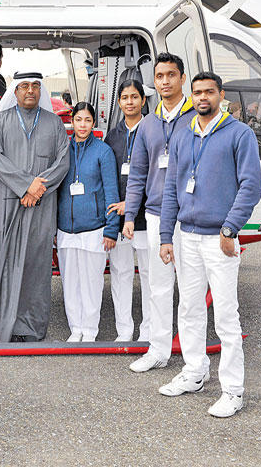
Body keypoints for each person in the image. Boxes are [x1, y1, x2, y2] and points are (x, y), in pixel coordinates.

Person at [159, 72, 261, 418]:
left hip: (220, 238)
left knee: (226, 315)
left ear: (221, 95)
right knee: (189, 308)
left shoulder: (239, 134)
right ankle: (194, 372)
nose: (203, 97)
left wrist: (230, 229)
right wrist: (165, 236)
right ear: (192, 96)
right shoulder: (182, 134)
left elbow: (251, 186)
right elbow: (171, 189)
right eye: (198, 92)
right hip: (186, 236)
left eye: (209, 92)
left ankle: (233, 390)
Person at [0, 71, 70, 342]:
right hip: (7, 205)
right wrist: (26, 186)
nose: (30, 90)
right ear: (15, 91)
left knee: (36, 266)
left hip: (41, 206)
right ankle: (2, 327)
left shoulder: (54, 124)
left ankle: (31, 328)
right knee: (3, 264)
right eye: (23, 86)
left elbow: (63, 162)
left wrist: (37, 188)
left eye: (35, 86)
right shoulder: (0, 121)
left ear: (40, 90)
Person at [123, 52, 196, 373]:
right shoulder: (148, 125)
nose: (165, 81)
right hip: (155, 215)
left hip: (189, 215)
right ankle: (158, 350)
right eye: (159, 76)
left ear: (182, 78)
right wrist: (129, 216)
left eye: (171, 75)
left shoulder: (196, 118)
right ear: (154, 82)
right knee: (159, 285)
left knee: (191, 288)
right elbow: (138, 174)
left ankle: (193, 360)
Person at [56, 102, 119, 342]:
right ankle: (76, 328)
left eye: (87, 120)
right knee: (70, 282)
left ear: (94, 123)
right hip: (66, 229)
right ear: (72, 122)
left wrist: (111, 229)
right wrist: (53, 227)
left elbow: (111, 193)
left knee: (92, 283)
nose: (82, 125)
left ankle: (90, 330)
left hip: (94, 229)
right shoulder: (63, 150)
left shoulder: (103, 151)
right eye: (78, 120)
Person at [104, 79, 151, 342]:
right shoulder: (113, 135)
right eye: (125, 97)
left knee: (149, 275)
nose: (129, 102)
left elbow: (157, 177)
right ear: (119, 102)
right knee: (120, 274)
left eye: (134, 97)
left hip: (145, 218)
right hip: (119, 221)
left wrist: (132, 204)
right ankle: (124, 331)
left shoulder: (154, 130)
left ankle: (148, 331)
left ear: (143, 100)